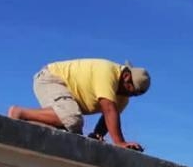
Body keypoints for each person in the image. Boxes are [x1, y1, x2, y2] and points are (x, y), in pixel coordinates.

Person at [8, 58, 150, 151]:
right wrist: (119, 143)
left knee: (73, 135)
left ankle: (27, 123)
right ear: (126, 77)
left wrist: (96, 135)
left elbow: (107, 121)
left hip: (69, 99)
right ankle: (19, 112)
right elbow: (109, 110)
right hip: (50, 78)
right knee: (73, 119)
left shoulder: (123, 97)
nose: (129, 96)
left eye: (134, 95)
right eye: (130, 91)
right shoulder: (107, 73)